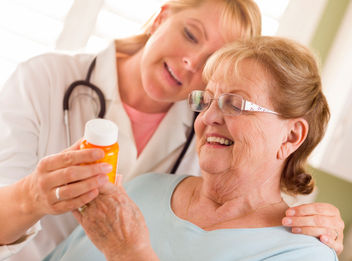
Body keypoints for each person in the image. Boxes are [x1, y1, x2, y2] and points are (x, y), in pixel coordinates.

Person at [0, 0, 344, 260]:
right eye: (207, 100)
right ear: (162, 16)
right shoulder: (44, 80)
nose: (192, 62)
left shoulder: (297, 250)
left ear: (292, 136)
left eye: (235, 103)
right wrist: (33, 195)